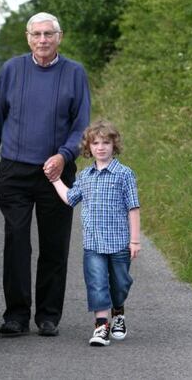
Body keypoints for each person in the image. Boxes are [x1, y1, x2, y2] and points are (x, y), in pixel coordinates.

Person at [0, 12, 91, 337]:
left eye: (49, 34)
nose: (43, 40)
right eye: (37, 34)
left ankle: (48, 315)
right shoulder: (13, 69)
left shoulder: (74, 73)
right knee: (16, 241)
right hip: (15, 170)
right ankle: (15, 314)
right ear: (28, 37)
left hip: (57, 171)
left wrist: (63, 155)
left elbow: (80, 124)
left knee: (54, 244)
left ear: (60, 37)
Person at [50, 120, 141, 346]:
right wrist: (55, 180)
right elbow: (71, 198)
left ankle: (118, 312)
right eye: (95, 143)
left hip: (119, 242)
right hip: (93, 244)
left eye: (106, 143)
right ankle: (101, 326)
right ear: (88, 147)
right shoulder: (85, 176)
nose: (101, 147)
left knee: (119, 283)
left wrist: (135, 241)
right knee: (97, 284)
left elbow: (133, 208)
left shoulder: (124, 174)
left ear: (114, 145)